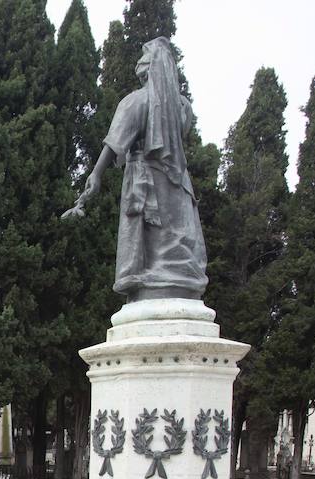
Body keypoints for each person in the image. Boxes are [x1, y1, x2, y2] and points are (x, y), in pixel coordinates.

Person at [63, 36, 207, 300]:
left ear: (149, 69)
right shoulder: (183, 108)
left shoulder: (135, 102)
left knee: (153, 238)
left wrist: (95, 174)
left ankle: (153, 286)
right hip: (176, 180)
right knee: (175, 238)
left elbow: (114, 143)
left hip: (144, 178)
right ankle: (176, 283)